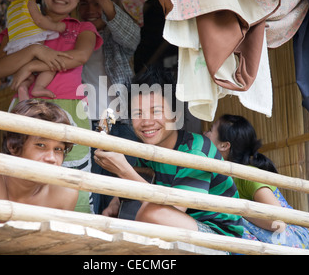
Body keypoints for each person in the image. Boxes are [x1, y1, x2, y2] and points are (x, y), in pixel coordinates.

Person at [0, 0, 103, 214]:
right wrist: (34, 50)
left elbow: (80, 56)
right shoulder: (18, 26)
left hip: (70, 109)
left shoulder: (81, 28)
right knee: (19, 176)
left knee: (74, 177)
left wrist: (29, 67)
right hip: (25, 108)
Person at [94, 66, 244, 238]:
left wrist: (124, 171)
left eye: (156, 111)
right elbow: (141, 185)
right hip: (183, 228)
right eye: (138, 113)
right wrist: (115, 203)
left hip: (219, 236)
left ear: (176, 115)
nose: (146, 122)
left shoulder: (196, 150)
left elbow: (169, 212)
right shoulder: (147, 152)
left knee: (152, 214)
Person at [79, 0, 141, 214]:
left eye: (98, 3)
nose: (91, 9)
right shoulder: (70, 36)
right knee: (91, 186)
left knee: (124, 189)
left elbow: (133, 37)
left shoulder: (116, 40)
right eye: (84, 2)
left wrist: (105, 2)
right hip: (85, 122)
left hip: (117, 120)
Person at [205, 114, 309, 249]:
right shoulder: (224, 176)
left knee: (228, 214)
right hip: (278, 241)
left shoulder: (246, 175)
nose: (205, 133)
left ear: (224, 145)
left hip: (293, 241)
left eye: (210, 130)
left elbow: (278, 222)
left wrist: (237, 208)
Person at [0, 99, 78, 210]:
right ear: (13, 146)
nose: (51, 158)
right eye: (40, 145)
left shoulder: (64, 194)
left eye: (58, 149)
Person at [2, 0, 67, 101]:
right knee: (51, 66)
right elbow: (39, 20)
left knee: (28, 75)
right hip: (31, 44)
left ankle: (23, 87)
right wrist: (56, 26)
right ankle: (39, 87)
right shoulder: (29, 2)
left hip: (15, 50)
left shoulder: (11, 9)